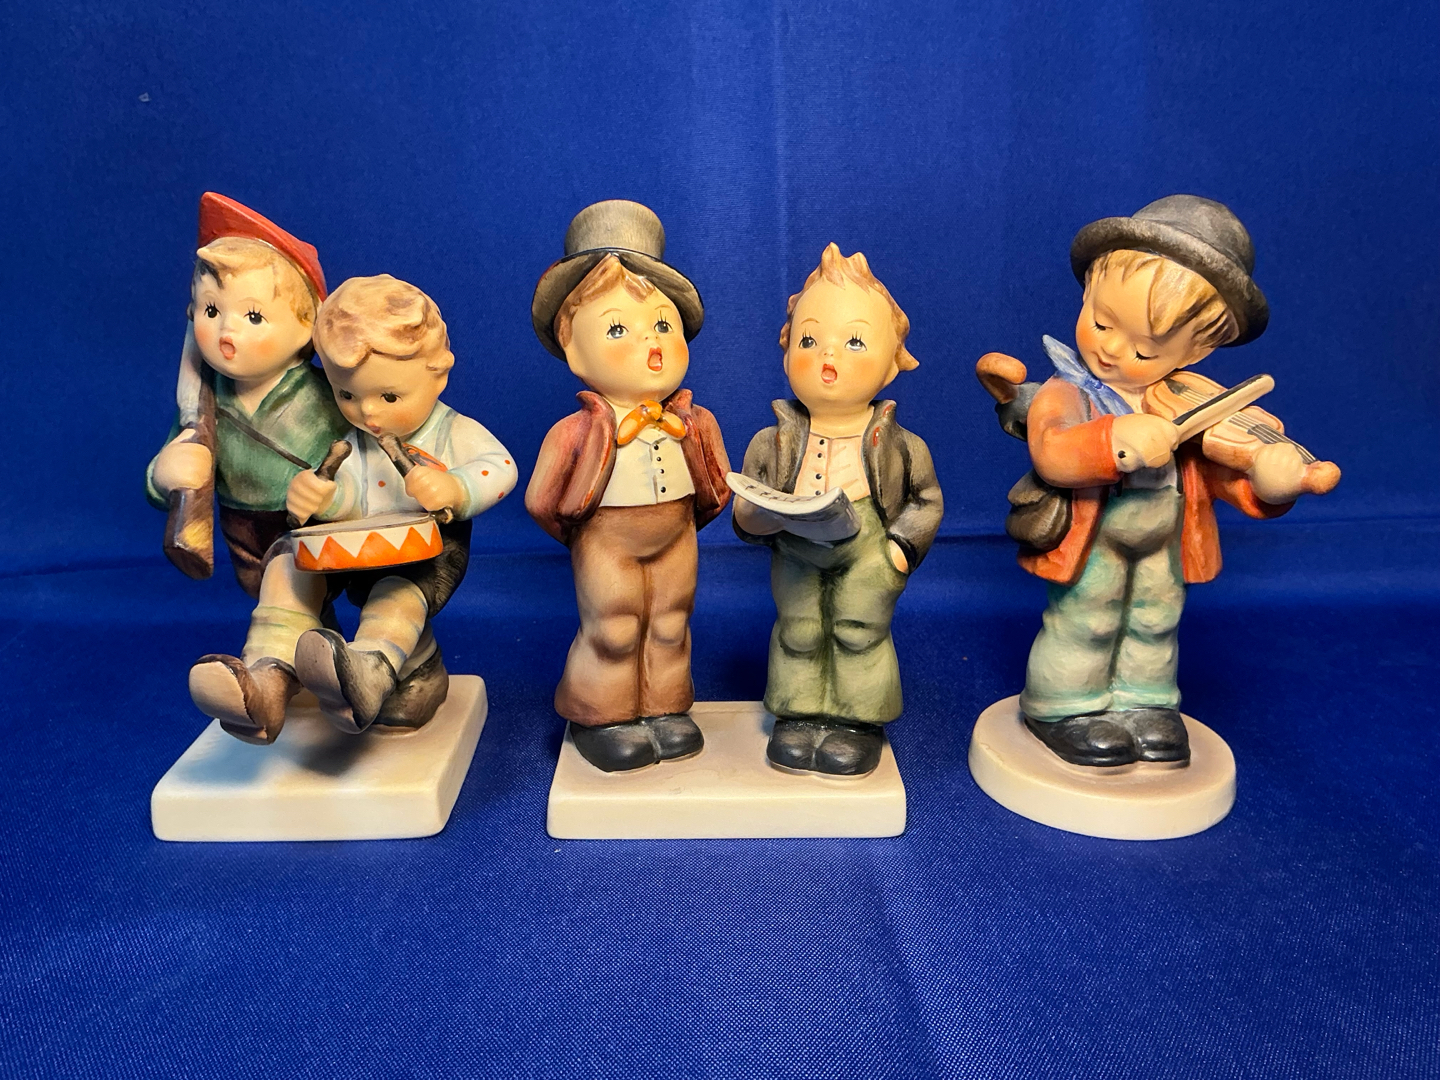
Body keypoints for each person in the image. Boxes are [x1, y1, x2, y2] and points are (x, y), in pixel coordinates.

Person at [981, 195, 1339, 767]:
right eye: (1102, 322)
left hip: (1165, 540)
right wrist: (1115, 440)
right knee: (1088, 616)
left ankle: (1144, 702)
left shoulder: (1188, 402)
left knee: (1155, 619)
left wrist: (1271, 481)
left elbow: (1224, 472)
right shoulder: (1067, 390)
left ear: (1199, 349)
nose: (1111, 348)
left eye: (1145, 349)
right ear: (1087, 293)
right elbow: (1053, 452)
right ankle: (1065, 704)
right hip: (1093, 536)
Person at [188, 275, 517, 743]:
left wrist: (456, 487)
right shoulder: (354, 441)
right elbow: (351, 493)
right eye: (346, 395)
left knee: (394, 595)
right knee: (286, 565)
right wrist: (324, 498)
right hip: (358, 546)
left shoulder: (452, 431)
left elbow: (500, 466)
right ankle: (266, 677)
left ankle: (368, 673)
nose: (368, 414)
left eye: (389, 396)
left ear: (439, 374)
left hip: (427, 552)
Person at [526, 200, 731, 773]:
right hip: (606, 540)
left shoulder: (695, 422)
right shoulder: (573, 433)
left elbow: (718, 487)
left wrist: (681, 522)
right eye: (618, 328)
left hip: (677, 535)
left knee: (670, 621)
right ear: (573, 348)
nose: (651, 341)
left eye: (663, 324)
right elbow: (542, 501)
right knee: (614, 627)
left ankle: (665, 707)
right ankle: (603, 714)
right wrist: (588, 535)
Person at [733, 243, 942, 776]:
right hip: (796, 548)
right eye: (809, 340)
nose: (829, 357)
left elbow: (926, 501)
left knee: (858, 629)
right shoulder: (770, 443)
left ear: (892, 364)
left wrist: (898, 551)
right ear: (786, 353)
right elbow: (746, 506)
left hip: (869, 549)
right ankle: (799, 714)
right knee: (799, 629)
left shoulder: (903, 447)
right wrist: (758, 517)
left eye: (854, 341)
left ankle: (856, 721)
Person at [146, 192, 350, 597]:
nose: (226, 332)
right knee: (262, 592)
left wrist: (339, 495)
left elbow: (363, 458)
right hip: (238, 527)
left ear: (308, 324)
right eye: (210, 310)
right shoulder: (204, 402)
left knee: (296, 595)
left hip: (310, 525)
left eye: (253, 316)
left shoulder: (325, 397)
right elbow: (165, 469)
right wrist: (165, 474)